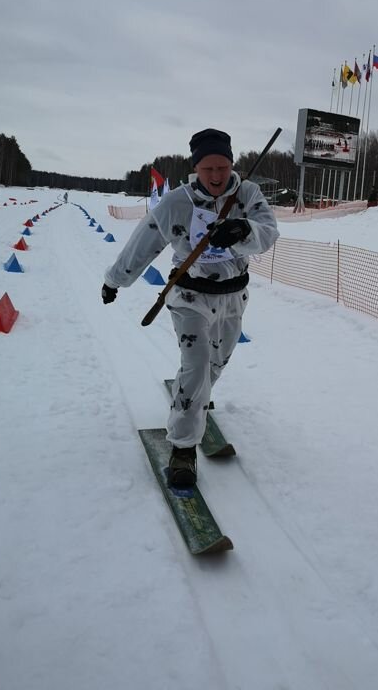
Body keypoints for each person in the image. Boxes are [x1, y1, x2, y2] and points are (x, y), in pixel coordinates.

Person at [101, 128, 279, 488]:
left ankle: (197, 397)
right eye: (208, 168)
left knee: (217, 364)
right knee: (196, 368)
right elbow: (144, 242)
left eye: (223, 167)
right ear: (196, 167)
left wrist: (243, 229)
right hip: (189, 296)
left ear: (232, 164)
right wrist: (115, 280)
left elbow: (268, 231)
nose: (216, 176)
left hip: (233, 295)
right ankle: (183, 447)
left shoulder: (248, 194)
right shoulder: (176, 202)